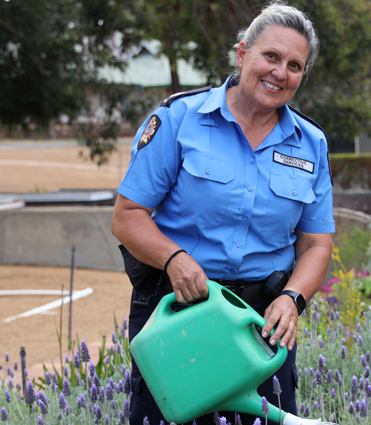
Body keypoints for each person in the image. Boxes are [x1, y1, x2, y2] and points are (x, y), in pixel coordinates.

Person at [111, 2, 334, 424]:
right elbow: (127, 215)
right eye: (271, 56)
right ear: (242, 53)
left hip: (260, 325)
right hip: (179, 311)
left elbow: (317, 244)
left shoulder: (311, 144)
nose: (280, 72)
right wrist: (174, 259)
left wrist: (293, 299)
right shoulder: (180, 119)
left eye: (294, 65)